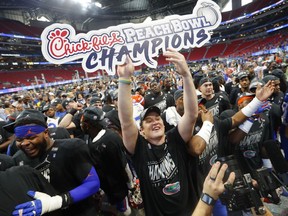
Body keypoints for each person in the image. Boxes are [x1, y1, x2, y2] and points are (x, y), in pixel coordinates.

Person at [117, 48, 199, 215]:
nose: (154, 122)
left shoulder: (175, 139)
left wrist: (186, 75)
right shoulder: (139, 148)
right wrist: (125, 79)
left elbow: (191, 114)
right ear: (142, 131)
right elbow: (126, 122)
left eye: (157, 118)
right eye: (148, 121)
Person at [4, 109, 100, 216]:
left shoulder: (72, 148)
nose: (25, 143)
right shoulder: (18, 159)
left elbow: (92, 183)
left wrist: (55, 202)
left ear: (46, 133)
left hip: (80, 211)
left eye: (31, 137)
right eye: (19, 139)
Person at [80, 107, 133, 215]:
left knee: (124, 210)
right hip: (103, 187)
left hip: (117, 187)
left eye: (82, 122)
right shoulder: (87, 138)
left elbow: (124, 164)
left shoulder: (111, 139)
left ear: (88, 124)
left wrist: (131, 185)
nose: (81, 125)